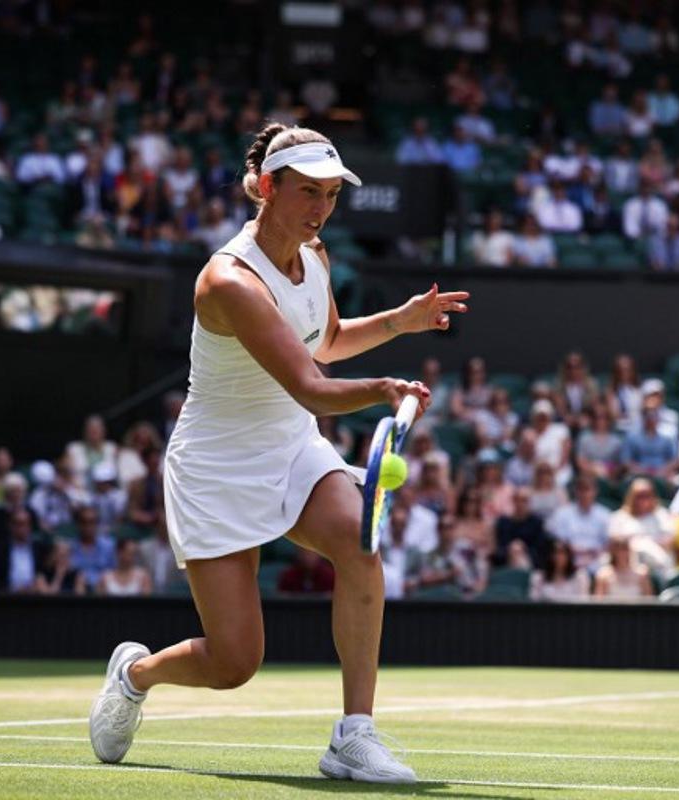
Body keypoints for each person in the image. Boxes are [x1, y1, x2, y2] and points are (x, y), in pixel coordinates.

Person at [90, 123, 468, 784]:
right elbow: (311, 386)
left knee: (359, 544)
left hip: (291, 444)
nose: (322, 208)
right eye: (308, 192)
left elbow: (325, 342)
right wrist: (383, 389)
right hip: (216, 469)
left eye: (332, 194)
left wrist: (398, 321)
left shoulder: (314, 256)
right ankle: (135, 674)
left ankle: (354, 736)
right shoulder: (228, 281)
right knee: (234, 663)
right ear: (267, 187)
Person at [545, 474, 610, 568]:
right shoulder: (562, 513)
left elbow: (607, 543)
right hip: (568, 561)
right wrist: (576, 551)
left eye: (587, 489)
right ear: (575, 492)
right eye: (580, 490)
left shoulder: (604, 515)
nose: (584, 494)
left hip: (597, 560)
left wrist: (593, 553)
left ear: (595, 492)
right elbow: (560, 541)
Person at [492, 487, 549, 568]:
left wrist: (523, 550)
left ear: (529, 502)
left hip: (530, 562)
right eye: (517, 500)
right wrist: (511, 550)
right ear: (513, 501)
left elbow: (540, 548)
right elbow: (499, 547)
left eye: (524, 500)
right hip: (506, 561)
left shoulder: (537, 523)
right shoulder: (503, 522)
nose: (520, 504)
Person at [593, 531, 653, 599]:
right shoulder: (603, 574)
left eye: (625, 549)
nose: (622, 554)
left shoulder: (642, 573)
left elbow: (649, 599)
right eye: (618, 550)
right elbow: (599, 600)